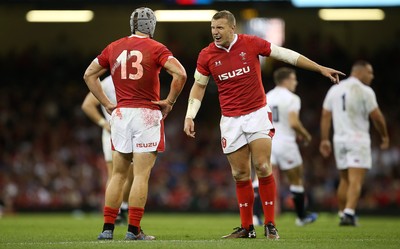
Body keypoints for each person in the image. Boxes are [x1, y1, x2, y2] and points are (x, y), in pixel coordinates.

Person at [183, 10, 344, 239]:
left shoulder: (251, 43)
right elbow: (199, 86)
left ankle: (270, 224)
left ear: (232, 28)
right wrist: (190, 115)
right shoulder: (206, 55)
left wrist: (319, 68)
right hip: (230, 119)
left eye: (219, 28)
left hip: (256, 113)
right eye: (212, 28)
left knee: (263, 167)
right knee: (240, 174)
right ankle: (247, 228)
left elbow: (286, 55)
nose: (215, 32)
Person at [83, 7, 187, 240]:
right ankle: (133, 231)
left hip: (120, 114)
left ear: (132, 25)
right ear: (152, 26)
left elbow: (89, 75)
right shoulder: (157, 48)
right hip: (147, 114)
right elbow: (180, 74)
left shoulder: (114, 46)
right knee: (140, 176)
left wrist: (107, 103)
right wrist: (169, 102)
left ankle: (107, 229)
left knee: (117, 175)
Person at [319, 60, 389, 226]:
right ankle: (349, 213)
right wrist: (385, 136)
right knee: (356, 179)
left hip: (339, 140)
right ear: (359, 72)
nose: (372, 76)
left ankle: (342, 213)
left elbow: (325, 116)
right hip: (358, 139)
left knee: (344, 179)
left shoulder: (334, 90)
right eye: (370, 72)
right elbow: (377, 117)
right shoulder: (365, 91)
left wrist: (324, 139)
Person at [266, 67, 317, 226]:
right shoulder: (292, 98)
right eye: (294, 79)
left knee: (266, 180)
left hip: (268, 142)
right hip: (286, 142)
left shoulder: (266, 96)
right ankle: (301, 217)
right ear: (286, 80)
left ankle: (262, 217)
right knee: (296, 179)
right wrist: (306, 134)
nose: (296, 82)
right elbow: (294, 122)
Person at [81, 75, 133, 225]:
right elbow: (87, 105)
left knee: (124, 175)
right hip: (118, 131)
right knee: (119, 174)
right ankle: (115, 212)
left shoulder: (108, 82)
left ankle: (120, 208)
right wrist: (104, 123)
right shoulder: (108, 82)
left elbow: (87, 105)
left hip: (124, 131)